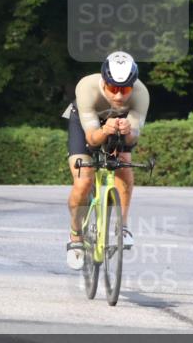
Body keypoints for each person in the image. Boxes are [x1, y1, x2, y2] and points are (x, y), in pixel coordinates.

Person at [64, 51, 149, 269]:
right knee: (83, 181)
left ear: (133, 85)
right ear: (104, 82)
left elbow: (133, 138)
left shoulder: (141, 94)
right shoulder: (87, 87)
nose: (119, 96)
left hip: (120, 123)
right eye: (113, 89)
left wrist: (127, 130)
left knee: (125, 169)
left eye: (125, 89)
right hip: (86, 123)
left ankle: (122, 227)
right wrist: (104, 130)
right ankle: (75, 235)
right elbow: (92, 139)